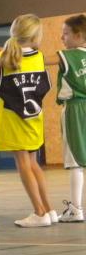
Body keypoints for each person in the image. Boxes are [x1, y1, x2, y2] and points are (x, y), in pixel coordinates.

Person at [0, 14, 57, 227]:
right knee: (33, 163)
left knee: (23, 165)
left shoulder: (6, 58)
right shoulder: (38, 57)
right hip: (33, 116)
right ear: (36, 36)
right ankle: (48, 209)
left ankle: (38, 211)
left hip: (13, 116)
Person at [45, 15, 86, 222]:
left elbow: (43, 60)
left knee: (76, 161)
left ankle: (76, 208)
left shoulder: (67, 56)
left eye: (66, 33)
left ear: (79, 35)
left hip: (76, 109)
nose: (62, 37)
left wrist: (16, 54)